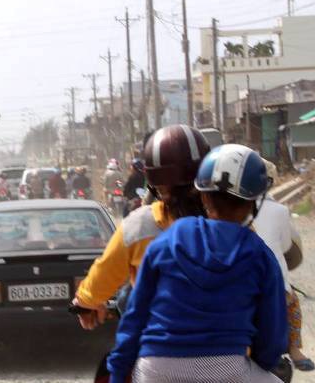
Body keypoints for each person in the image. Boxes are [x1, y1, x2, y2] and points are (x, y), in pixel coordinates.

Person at [106, 144, 288, 383]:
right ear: (254, 202)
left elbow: (135, 316)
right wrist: (262, 362)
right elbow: (272, 338)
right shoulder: (260, 255)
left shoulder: (169, 239)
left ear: (203, 195)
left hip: (154, 370)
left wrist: (118, 373)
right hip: (227, 369)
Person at [74, 124, 210, 330]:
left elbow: (102, 278)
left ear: (153, 180)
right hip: (231, 353)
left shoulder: (138, 227)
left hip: (160, 351)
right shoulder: (232, 222)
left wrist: (84, 302)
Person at [254, 158, 314, 372]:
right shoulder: (279, 210)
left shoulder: (225, 208)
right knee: (293, 303)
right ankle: (295, 348)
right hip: (275, 288)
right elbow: (288, 245)